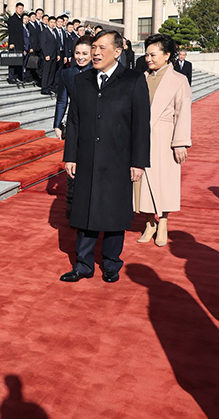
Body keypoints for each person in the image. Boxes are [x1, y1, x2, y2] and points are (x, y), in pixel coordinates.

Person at [60, 30, 150, 284]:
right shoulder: (82, 80)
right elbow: (74, 121)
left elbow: (141, 124)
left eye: (101, 48)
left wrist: (138, 162)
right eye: (94, 47)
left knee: (114, 213)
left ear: (118, 51)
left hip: (119, 159)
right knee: (85, 211)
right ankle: (83, 264)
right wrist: (70, 156)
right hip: (87, 157)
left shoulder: (133, 80)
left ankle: (111, 263)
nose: (95, 53)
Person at [134, 34, 192, 247]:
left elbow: (183, 112)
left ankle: (164, 222)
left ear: (167, 55)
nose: (148, 59)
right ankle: (149, 223)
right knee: (142, 182)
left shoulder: (179, 80)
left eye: (153, 54)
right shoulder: (141, 78)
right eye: (146, 55)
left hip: (165, 138)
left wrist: (180, 142)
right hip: (141, 137)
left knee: (164, 181)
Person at [54, 35, 93, 140]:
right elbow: (62, 101)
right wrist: (57, 124)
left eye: (85, 53)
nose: (80, 57)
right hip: (74, 122)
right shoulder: (67, 73)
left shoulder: (99, 73)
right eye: (77, 53)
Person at [39, 15, 59, 96]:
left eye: (54, 22)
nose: (53, 24)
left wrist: (58, 54)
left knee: (52, 73)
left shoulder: (55, 32)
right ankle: (44, 88)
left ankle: (49, 87)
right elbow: (43, 44)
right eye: (51, 22)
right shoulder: (45, 32)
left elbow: (57, 44)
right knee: (46, 72)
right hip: (47, 56)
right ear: (48, 22)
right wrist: (46, 54)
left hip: (54, 56)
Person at [7, 2, 25, 84]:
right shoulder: (12, 19)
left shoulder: (20, 19)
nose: (20, 10)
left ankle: (17, 76)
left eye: (22, 9)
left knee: (18, 61)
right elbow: (11, 32)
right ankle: (11, 77)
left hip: (20, 44)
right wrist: (11, 43)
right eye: (19, 8)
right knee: (12, 61)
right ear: (16, 8)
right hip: (13, 44)